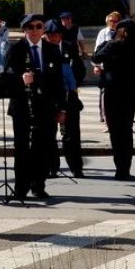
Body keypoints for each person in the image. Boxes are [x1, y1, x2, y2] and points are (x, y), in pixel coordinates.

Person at [4, 14, 66, 199]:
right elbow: (6, 76)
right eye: (30, 27)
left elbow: (59, 82)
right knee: (22, 148)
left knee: (44, 147)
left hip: (45, 106)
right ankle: (21, 187)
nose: (34, 30)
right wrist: (20, 79)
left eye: (38, 26)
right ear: (25, 30)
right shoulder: (16, 49)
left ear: (43, 29)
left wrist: (62, 108)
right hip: (22, 105)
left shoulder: (52, 49)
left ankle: (38, 185)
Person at [91, 19, 135, 180]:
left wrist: (108, 43)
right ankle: (125, 168)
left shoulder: (113, 45)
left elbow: (96, 57)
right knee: (126, 131)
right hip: (129, 93)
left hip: (113, 92)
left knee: (115, 132)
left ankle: (119, 167)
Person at [45, 19, 84, 178]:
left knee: (71, 134)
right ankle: (52, 166)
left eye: (56, 35)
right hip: (50, 96)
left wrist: (73, 82)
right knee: (49, 133)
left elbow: (80, 69)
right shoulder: (42, 51)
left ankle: (76, 167)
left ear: (61, 35)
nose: (53, 38)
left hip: (69, 96)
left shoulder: (69, 48)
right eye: (50, 35)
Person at [92, 11, 120, 125]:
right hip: (105, 67)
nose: (112, 23)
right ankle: (105, 116)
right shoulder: (103, 33)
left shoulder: (120, 33)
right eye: (111, 21)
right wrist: (97, 66)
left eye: (115, 21)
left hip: (117, 68)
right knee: (104, 91)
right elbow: (97, 50)